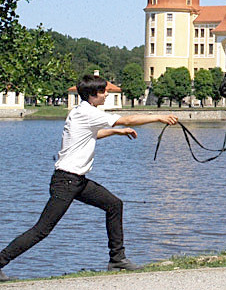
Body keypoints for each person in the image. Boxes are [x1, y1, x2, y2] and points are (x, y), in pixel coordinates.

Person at [0, 74, 178, 281]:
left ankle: (117, 259)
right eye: (103, 92)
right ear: (93, 95)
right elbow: (127, 119)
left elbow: (92, 134)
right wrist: (159, 117)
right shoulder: (88, 113)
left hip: (76, 181)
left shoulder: (80, 112)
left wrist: (117, 133)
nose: (106, 95)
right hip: (66, 181)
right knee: (42, 230)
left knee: (114, 205)